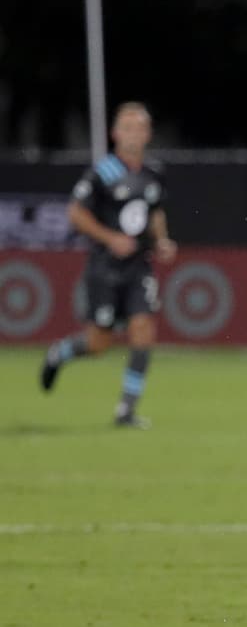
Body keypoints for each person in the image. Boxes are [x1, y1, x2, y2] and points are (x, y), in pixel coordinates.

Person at [40, 102, 177, 427]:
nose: (133, 134)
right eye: (126, 128)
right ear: (116, 134)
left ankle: (126, 411)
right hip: (104, 267)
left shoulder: (153, 173)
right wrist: (109, 237)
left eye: (139, 128)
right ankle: (59, 354)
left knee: (143, 329)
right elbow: (76, 213)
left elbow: (155, 212)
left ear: (147, 134)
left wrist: (162, 241)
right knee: (98, 343)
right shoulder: (104, 173)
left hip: (138, 267)